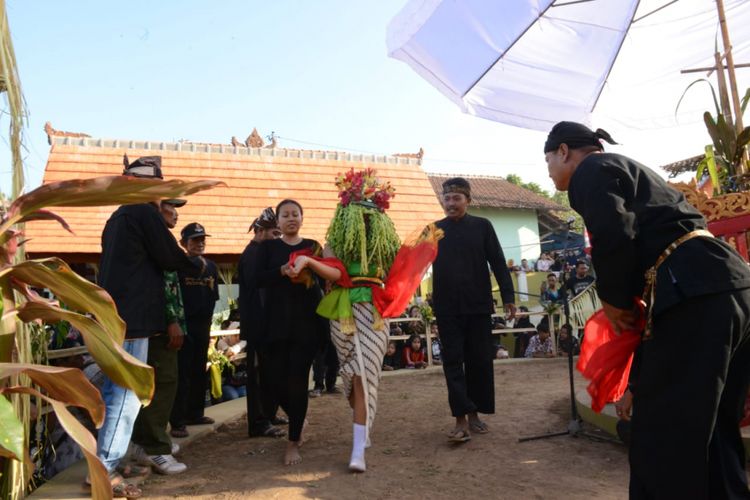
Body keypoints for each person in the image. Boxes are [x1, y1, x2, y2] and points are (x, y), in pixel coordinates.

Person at [544, 120, 750, 499]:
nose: (551, 174)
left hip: (694, 293)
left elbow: (613, 230)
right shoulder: (632, 172)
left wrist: (615, 298)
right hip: (730, 284)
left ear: (563, 151)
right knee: (716, 425)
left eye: (549, 164)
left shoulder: (591, 169)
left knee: (663, 432)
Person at [309, 168, 440, 471]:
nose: (365, 217)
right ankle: (361, 428)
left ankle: (358, 450)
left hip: (375, 312)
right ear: (346, 214)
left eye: (371, 211)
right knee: (350, 376)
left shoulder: (386, 248)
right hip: (342, 312)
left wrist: (425, 246)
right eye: (358, 210)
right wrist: (310, 262)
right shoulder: (333, 245)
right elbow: (334, 272)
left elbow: (404, 270)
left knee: (365, 375)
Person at [96, 155, 204, 497]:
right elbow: (169, 256)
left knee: (118, 392)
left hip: (117, 317)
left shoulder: (116, 219)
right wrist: (196, 266)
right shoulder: (143, 212)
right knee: (126, 395)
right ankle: (104, 470)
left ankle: (115, 460)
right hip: (134, 320)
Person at [432, 177, 516, 444]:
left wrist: (508, 297)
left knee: (479, 361)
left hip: (478, 306)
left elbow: (499, 262)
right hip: (447, 309)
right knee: (453, 362)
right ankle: (460, 419)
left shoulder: (483, 226)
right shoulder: (433, 230)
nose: (451, 203)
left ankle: (475, 413)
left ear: (468, 200)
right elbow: (412, 261)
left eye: (456, 198)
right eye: (447, 198)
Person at [250, 199, 328, 466]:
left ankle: (293, 441)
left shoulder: (313, 247)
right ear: (279, 222)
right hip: (275, 325)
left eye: (296, 214)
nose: (291, 218)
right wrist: (281, 270)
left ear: (302, 218)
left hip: (307, 325)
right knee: (272, 382)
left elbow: (326, 278)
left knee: (297, 382)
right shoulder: (268, 247)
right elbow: (256, 279)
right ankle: (297, 415)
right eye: (286, 215)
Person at [130, 199, 189, 475]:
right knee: (163, 384)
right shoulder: (154, 238)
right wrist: (172, 321)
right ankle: (156, 449)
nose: (175, 214)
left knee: (155, 386)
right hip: (159, 327)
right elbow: (163, 285)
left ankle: (147, 443)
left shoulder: (149, 234)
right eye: (170, 207)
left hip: (153, 325)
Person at [237, 207, 286, 439]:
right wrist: (281, 271)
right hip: (258, 325)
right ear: (260, 231)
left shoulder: (265, 252)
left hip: (269, 324)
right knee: (258, 376)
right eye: (273, 233)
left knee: (272, 373)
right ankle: (258, 422)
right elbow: (257, 283)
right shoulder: (253, 253)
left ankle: (269, 413)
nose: (277, 238)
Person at [170, 222, 220, 438]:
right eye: (194, 240)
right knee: (182, 374)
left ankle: (196, 413)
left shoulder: (211, 267)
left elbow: (213, 297)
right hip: (183, 326)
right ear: (184, 243)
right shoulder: (177, 266)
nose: (199, 244)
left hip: (203, 325)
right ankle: (178, 421)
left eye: (202, 240)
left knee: (200, 370)